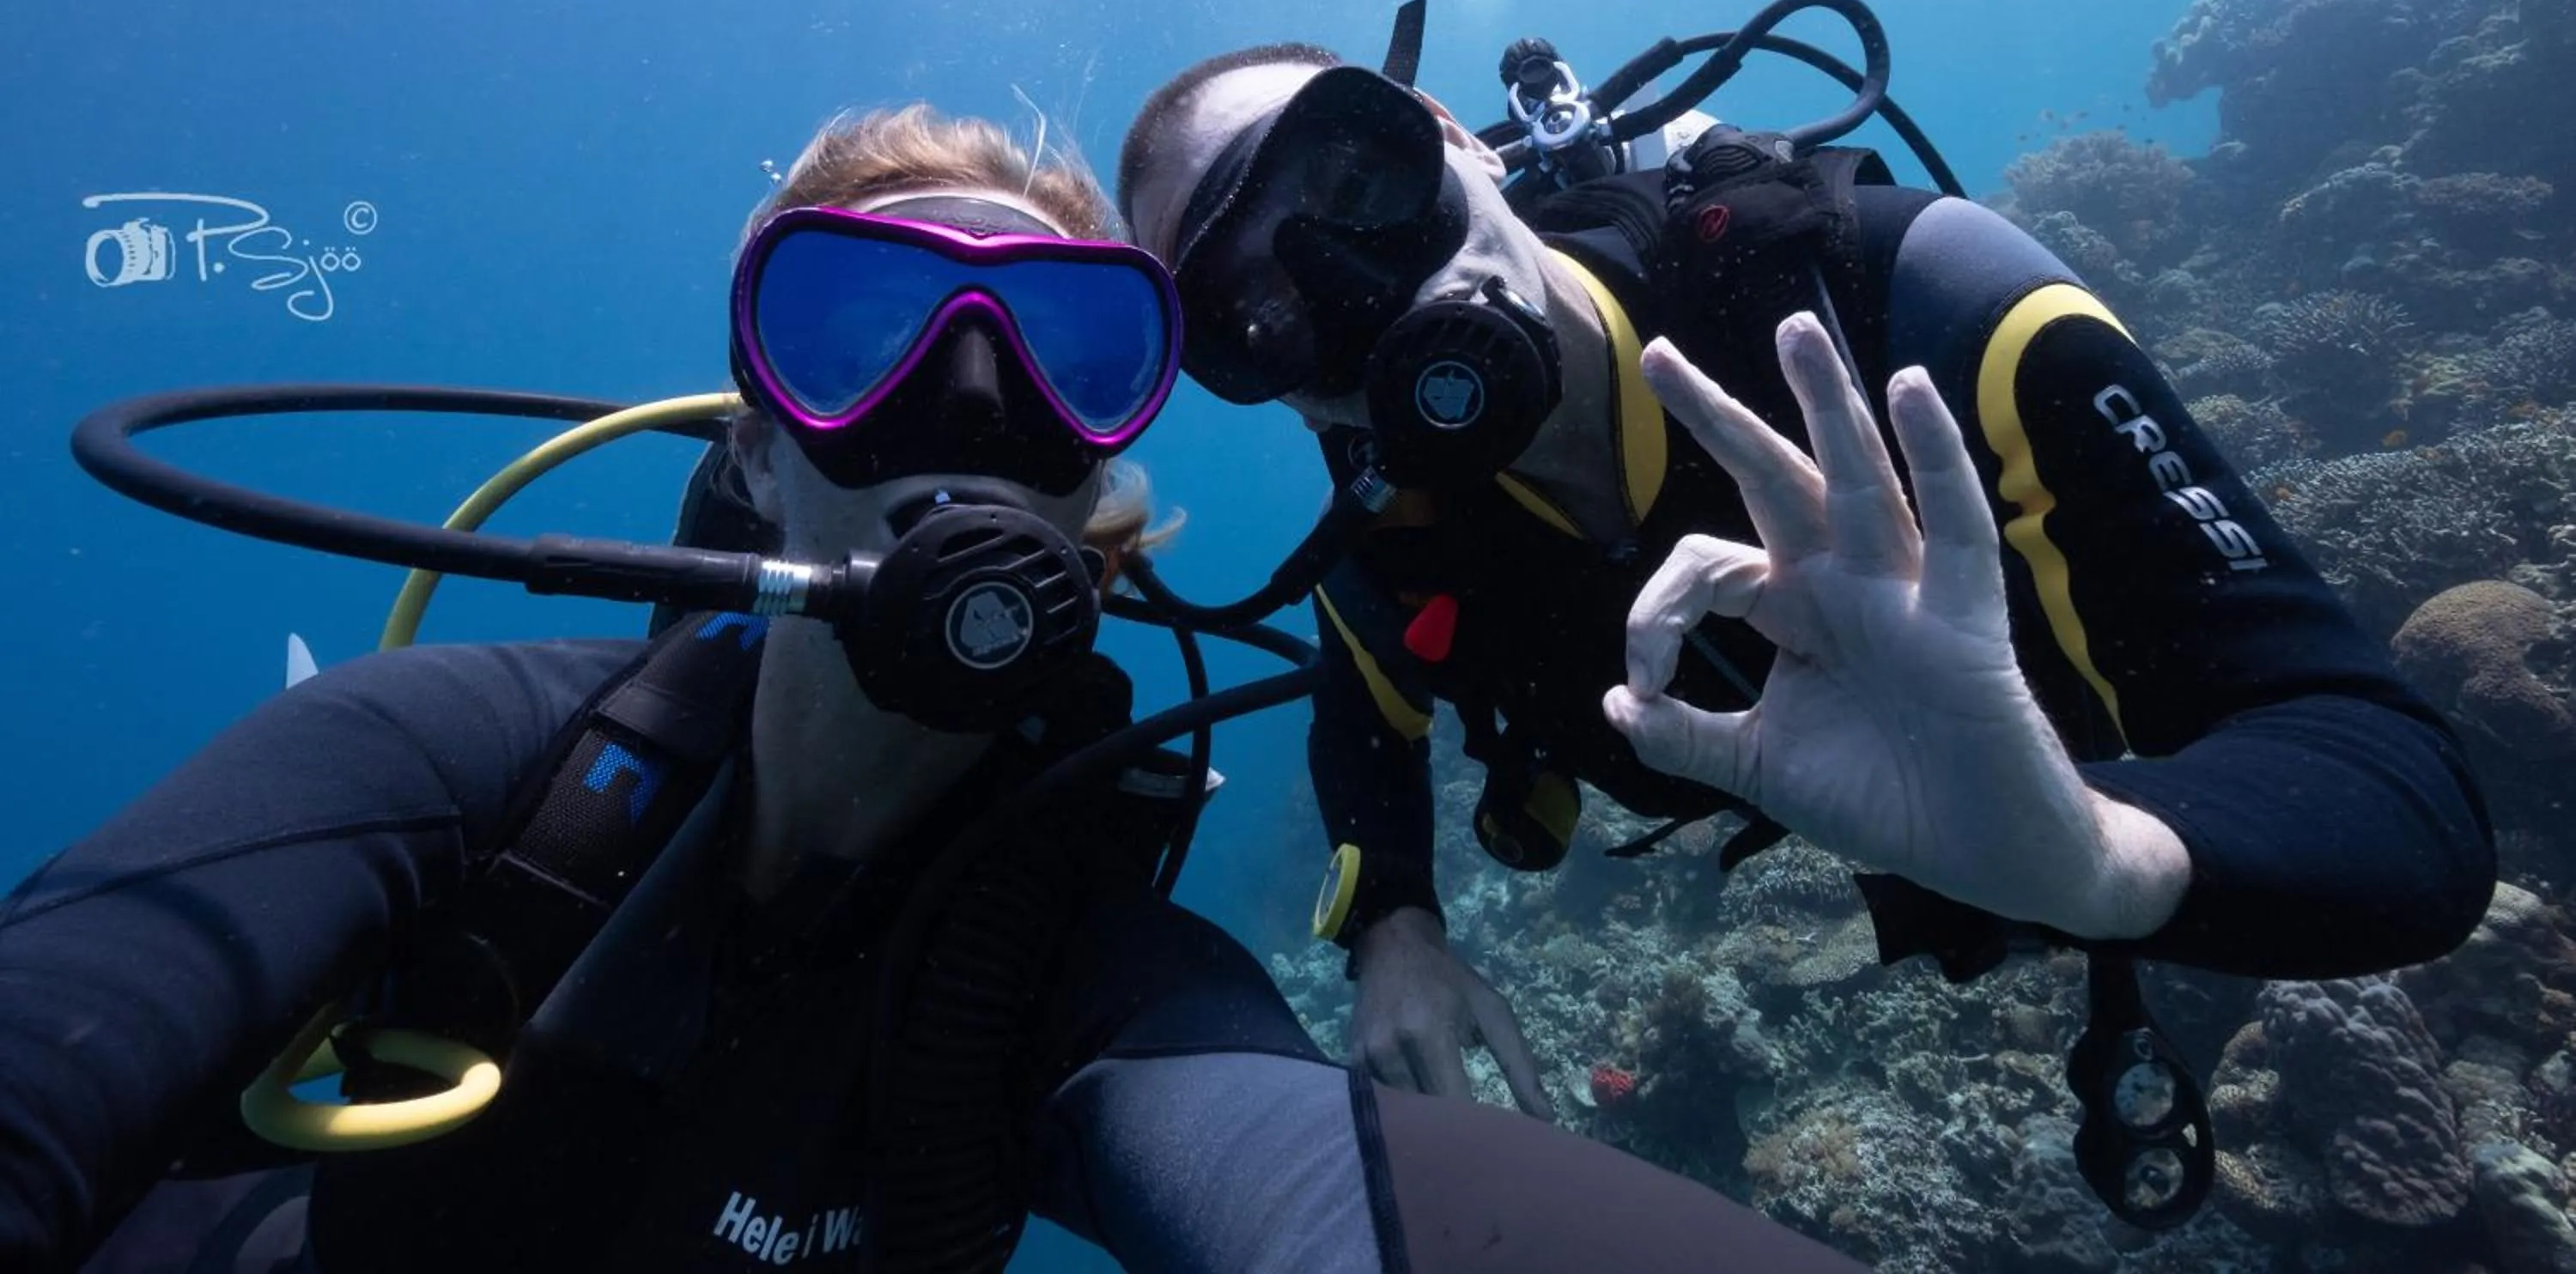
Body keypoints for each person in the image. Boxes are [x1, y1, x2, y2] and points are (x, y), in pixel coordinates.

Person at [0, 106, 1869, 1273]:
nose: (970, 408)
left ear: (1108, 481)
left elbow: (1326, 1188)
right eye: (855, 327)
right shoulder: (452, 754)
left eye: (1065, 346)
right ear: (753, 449)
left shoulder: (1078, 966)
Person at [1115, 39, 2497, 1126]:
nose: (1356, 288)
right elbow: (1363, 724)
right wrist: (1391, 924)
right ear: (1265, 394)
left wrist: (2092, 854)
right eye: (1254, 313)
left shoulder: (1921, 305)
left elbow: (2399, 794)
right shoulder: (1395, 539)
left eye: (1358, 182)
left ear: (1463, 143)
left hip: (2096, 782)